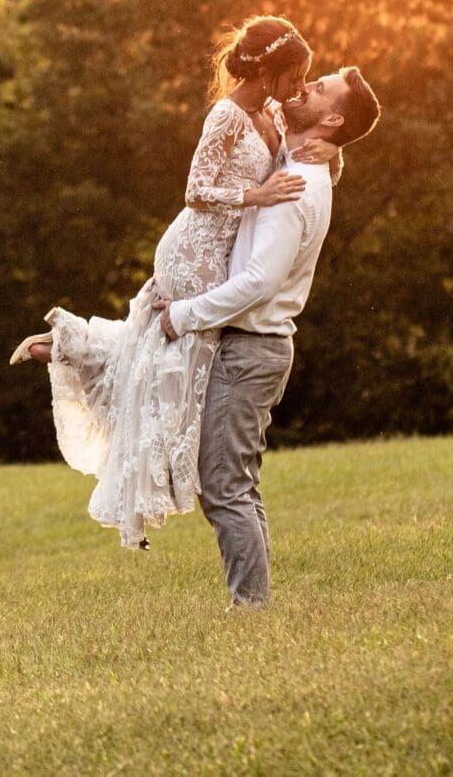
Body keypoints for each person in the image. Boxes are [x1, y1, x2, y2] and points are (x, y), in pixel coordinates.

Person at [10, 15, 317, 549]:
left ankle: (67, 347)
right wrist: (254, 198)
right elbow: (195, 192)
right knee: (172, 370)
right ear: (267, 71)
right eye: (295, 76)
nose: (300, 88)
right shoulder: (225, 116)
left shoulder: (272, 110)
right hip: (196, 249)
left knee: (155, 360)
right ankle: (142, 488)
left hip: (224, 252)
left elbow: (297, 159)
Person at [156, 64, 377, 606]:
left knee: (225, 487)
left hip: (253, 350)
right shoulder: (298, 158)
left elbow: (258, 282)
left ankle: (251, 608)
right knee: (236, 483)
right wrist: (338, 151)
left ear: (331, 117)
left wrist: (182, 315)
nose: (307, 85)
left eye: (321, 88)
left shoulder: (298, 188)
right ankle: (254, 603)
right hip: (253, 349)